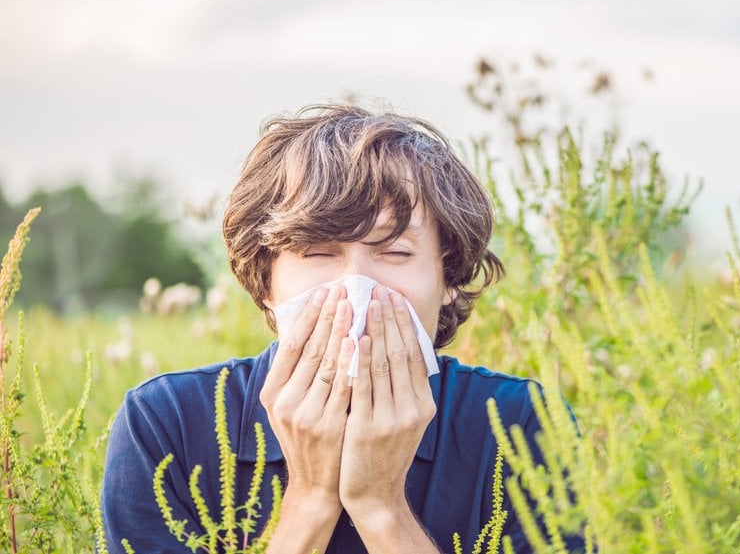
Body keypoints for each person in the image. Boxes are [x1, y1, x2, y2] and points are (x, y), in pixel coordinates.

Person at [101, 104, 582, 553]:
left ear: (449, 278)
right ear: (264, 281)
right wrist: (311, 497)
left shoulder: (520, 425)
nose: (357, 287)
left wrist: (381, 506)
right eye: (317, 252)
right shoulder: (167, 425)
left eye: (394, 253)